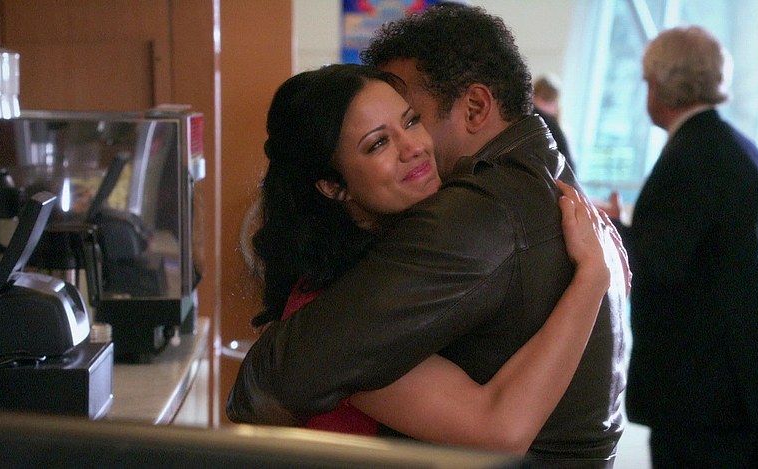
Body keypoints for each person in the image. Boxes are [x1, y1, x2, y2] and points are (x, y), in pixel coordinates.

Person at [228, 7, 629, 466]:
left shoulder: (479, 209)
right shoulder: (349, 291)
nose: (414, 147)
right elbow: (498, 429)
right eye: (378, 143)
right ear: (334, 186)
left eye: (411, 119)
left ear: (476, 107)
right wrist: (592, 281)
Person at [604, 26, 758, 468]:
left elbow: (658, 263)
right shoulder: (742, 152)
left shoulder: (688, 159)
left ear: (662, 84)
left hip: (702, 391)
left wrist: (609, 230)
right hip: (747, 377)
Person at [533, 74, 574, 171]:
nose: (548, 106)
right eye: (545, 99)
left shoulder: (561, 130)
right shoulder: (529, 121)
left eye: (551, 101)